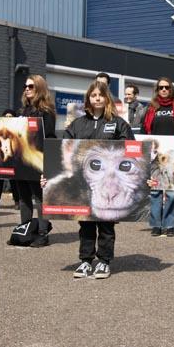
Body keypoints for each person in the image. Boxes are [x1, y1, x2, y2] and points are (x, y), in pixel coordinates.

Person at [64, 81, 134, 279]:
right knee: (85, 223)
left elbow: (132, 150)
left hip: (110, 183)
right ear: (88, 98)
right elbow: (64, 149)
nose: (97, 98)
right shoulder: (77, 124)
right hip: (84, 184)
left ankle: (104, 261)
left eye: (100, 95)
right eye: (93, 95)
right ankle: (86, 261)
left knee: (106, 224)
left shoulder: (119, 123)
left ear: (106, 98)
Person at [141, 76, 174, 237]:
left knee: (170, 192)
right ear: (157, 90)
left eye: (167, 87)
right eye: (161, 87)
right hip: (155, 156)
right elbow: (144, 131)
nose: (164, 90)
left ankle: (169, 225)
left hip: (173, 157)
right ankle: (156, 225)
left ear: (171, 90)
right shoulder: (150, 109)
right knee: (155, 191)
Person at [15, 75, 57, 247]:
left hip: (38, 159)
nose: (26, 89)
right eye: (25, 86)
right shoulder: (22, 111)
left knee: (39, 197)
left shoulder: (46, 111)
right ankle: (25, 230)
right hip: (21, 159)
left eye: (31, 86)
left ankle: (42, 232)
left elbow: (48, 135)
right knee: (24, 197)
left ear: (39, 88)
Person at [0, 109, 21, 210]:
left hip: (13, 157)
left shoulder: (18, 129)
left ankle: (17, 201)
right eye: (6, 117)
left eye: (10, 117)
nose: (8, 119)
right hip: (0, 157)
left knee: (14, 180)